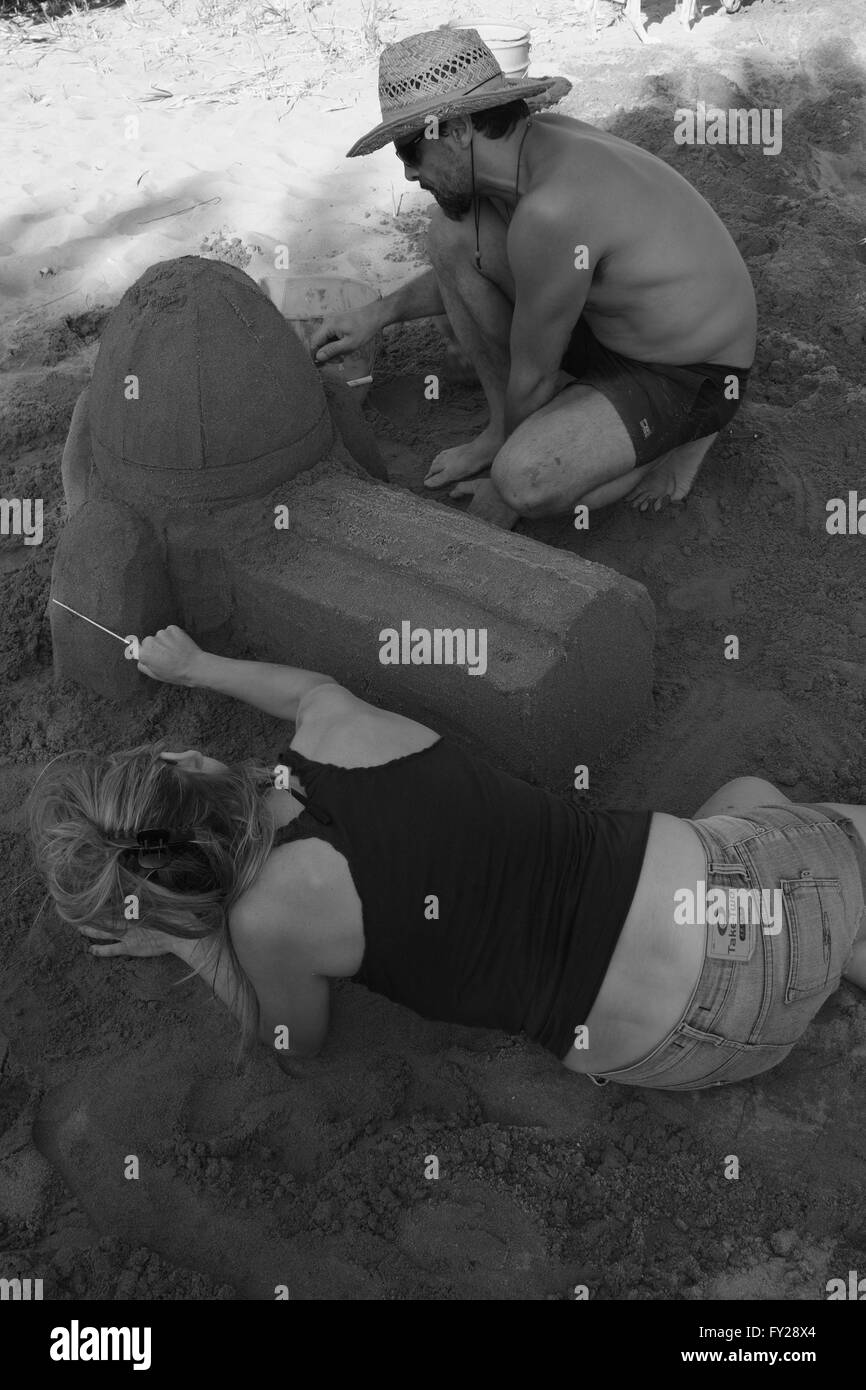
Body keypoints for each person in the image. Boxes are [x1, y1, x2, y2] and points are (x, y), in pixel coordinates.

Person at [29, 626, 866, 1090]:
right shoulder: (339, 731)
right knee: (752, 800)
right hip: (758, 888)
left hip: (701, 1042)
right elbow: (305, 688)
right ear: (187, 763)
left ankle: (837, 955)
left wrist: (186, 940)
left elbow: (295, 1043)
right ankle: (842, 945)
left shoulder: (263, 924)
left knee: (747, 803)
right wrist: (199, 666)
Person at [311, 28, 757, 527]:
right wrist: (380, 313)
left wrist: (503, 484)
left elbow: (535, 372)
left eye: (409, 151)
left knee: (525, 479)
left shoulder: (552, 211)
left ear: (456, 131)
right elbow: (505, 269)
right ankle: (505, 429)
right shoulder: (532, 155)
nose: (410, 174)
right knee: (453, 233)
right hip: (618, 328)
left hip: (691, 374)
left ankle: (670, 445)